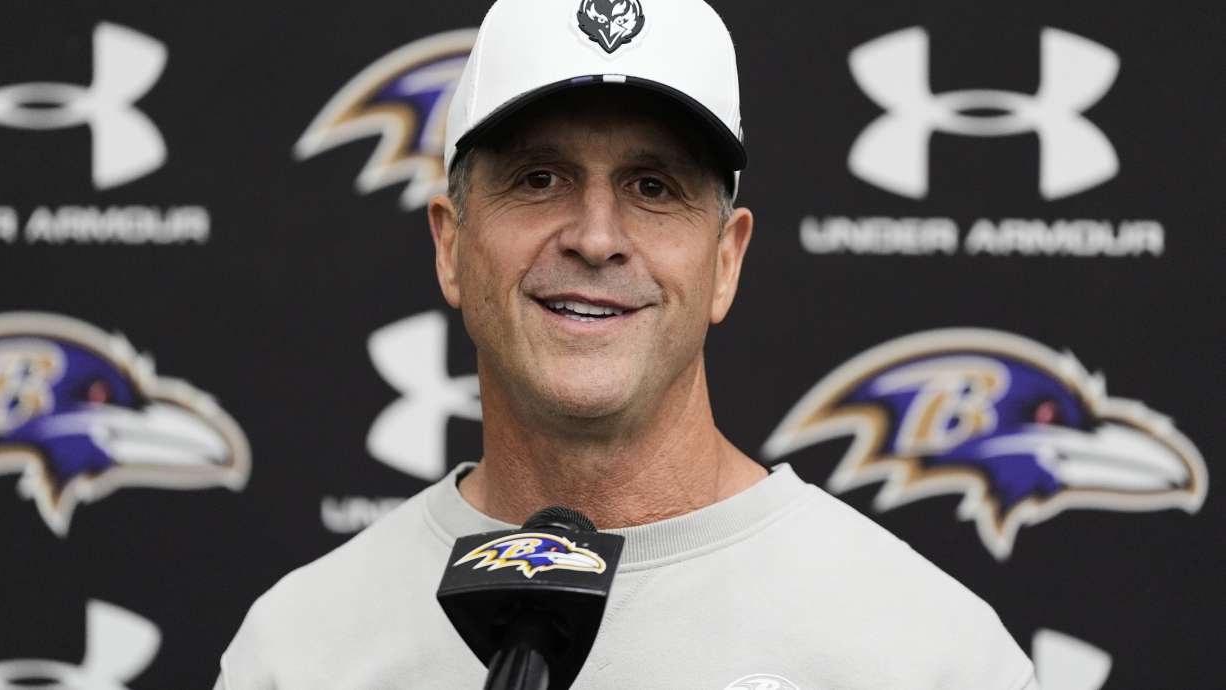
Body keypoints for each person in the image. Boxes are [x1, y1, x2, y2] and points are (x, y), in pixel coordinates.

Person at [215, 1, 1038, 688]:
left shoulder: (932, 656)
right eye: (540, 178)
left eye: (654, 188)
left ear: (724, 261)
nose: (597, 237)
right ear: (450, 244)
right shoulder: (300, 651)